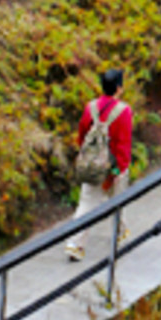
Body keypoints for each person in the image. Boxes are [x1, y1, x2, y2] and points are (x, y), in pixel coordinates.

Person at [65, 67, 132, 262]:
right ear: (119, 88)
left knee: (86, 202)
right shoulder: (124, 111)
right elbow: (123, 144)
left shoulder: (91, 107)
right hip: (113, 165)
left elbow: (82, 136)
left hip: (93, 163)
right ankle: (120, 232)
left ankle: (74, 244)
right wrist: (116, 171)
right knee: (117, 199)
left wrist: (87, 158)